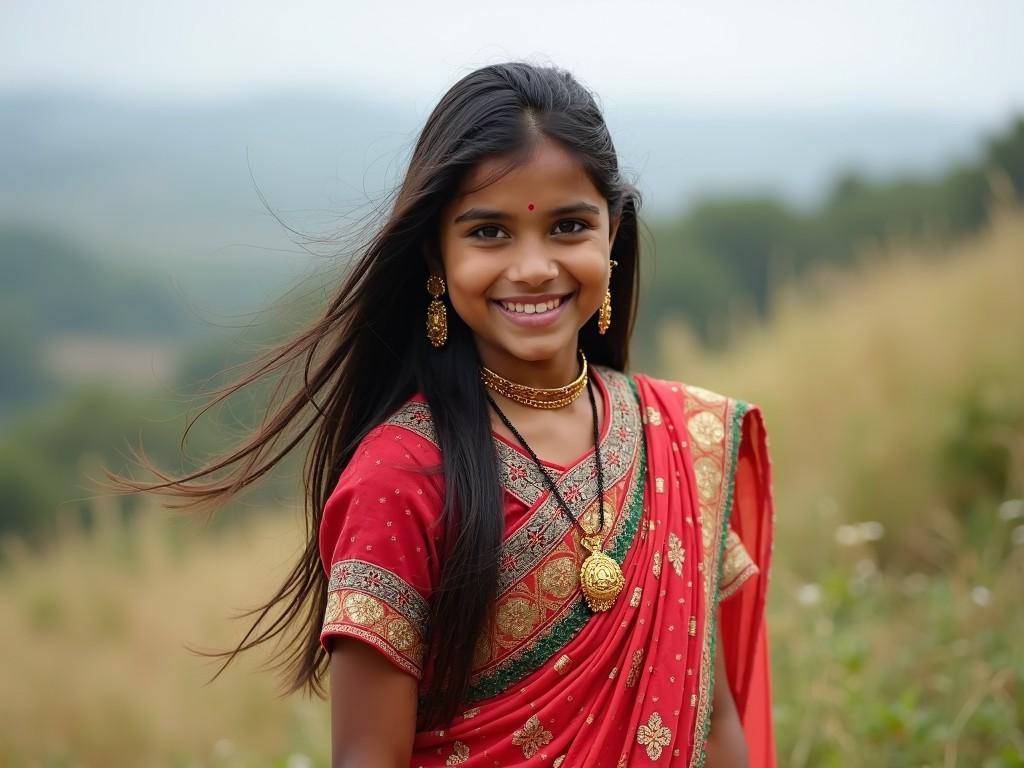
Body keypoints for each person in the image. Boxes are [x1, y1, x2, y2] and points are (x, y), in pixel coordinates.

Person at [124, 61, 776, 767]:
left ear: (612, 235)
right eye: (490, 233)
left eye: (568, 226)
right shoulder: (399, 476)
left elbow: (710, 723)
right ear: (437, 251)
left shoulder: (678, 440)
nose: (533, 267)